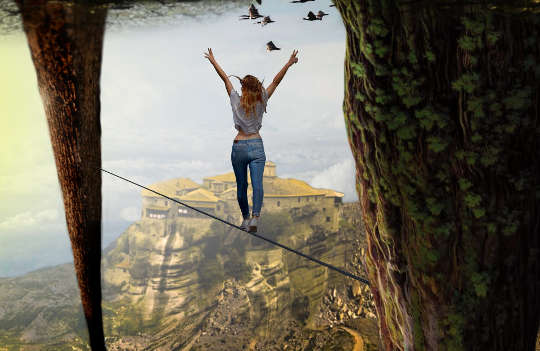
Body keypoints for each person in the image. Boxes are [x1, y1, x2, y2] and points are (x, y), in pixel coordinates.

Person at [204, 47, 299, 233]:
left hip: (239, 146)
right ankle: (255, 217)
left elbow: (225, 79)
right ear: (257, 88)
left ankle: (245, 219)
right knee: (257, 184)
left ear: (243, 88)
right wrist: (288, 63)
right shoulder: (262, 98)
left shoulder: (235, 100)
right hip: (256, 145)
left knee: (241, 185)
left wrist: (213, 60)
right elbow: (275, 82)